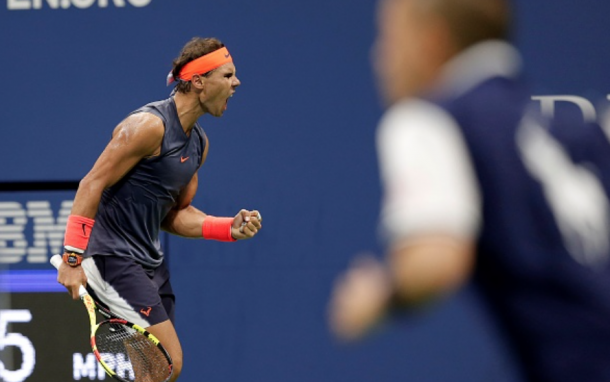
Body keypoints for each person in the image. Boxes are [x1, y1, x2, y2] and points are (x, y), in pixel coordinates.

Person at [329, 1, 610, 381]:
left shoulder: (428, 120)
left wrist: (382, 295)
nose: (378, 56)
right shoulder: (585, 126)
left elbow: (435, 260)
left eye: (388, 37)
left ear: (430, 42)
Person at [56, 37, 263, 382]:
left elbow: (174, 216)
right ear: (198, 81)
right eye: (227, 75)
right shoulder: (147, 127)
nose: (236, 83)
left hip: (150, 263)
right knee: (168, 363)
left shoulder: (199, 145)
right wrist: (72, 258)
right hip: (111, 257)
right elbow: (90, 183)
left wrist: (228, 227)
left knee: (150, 374)